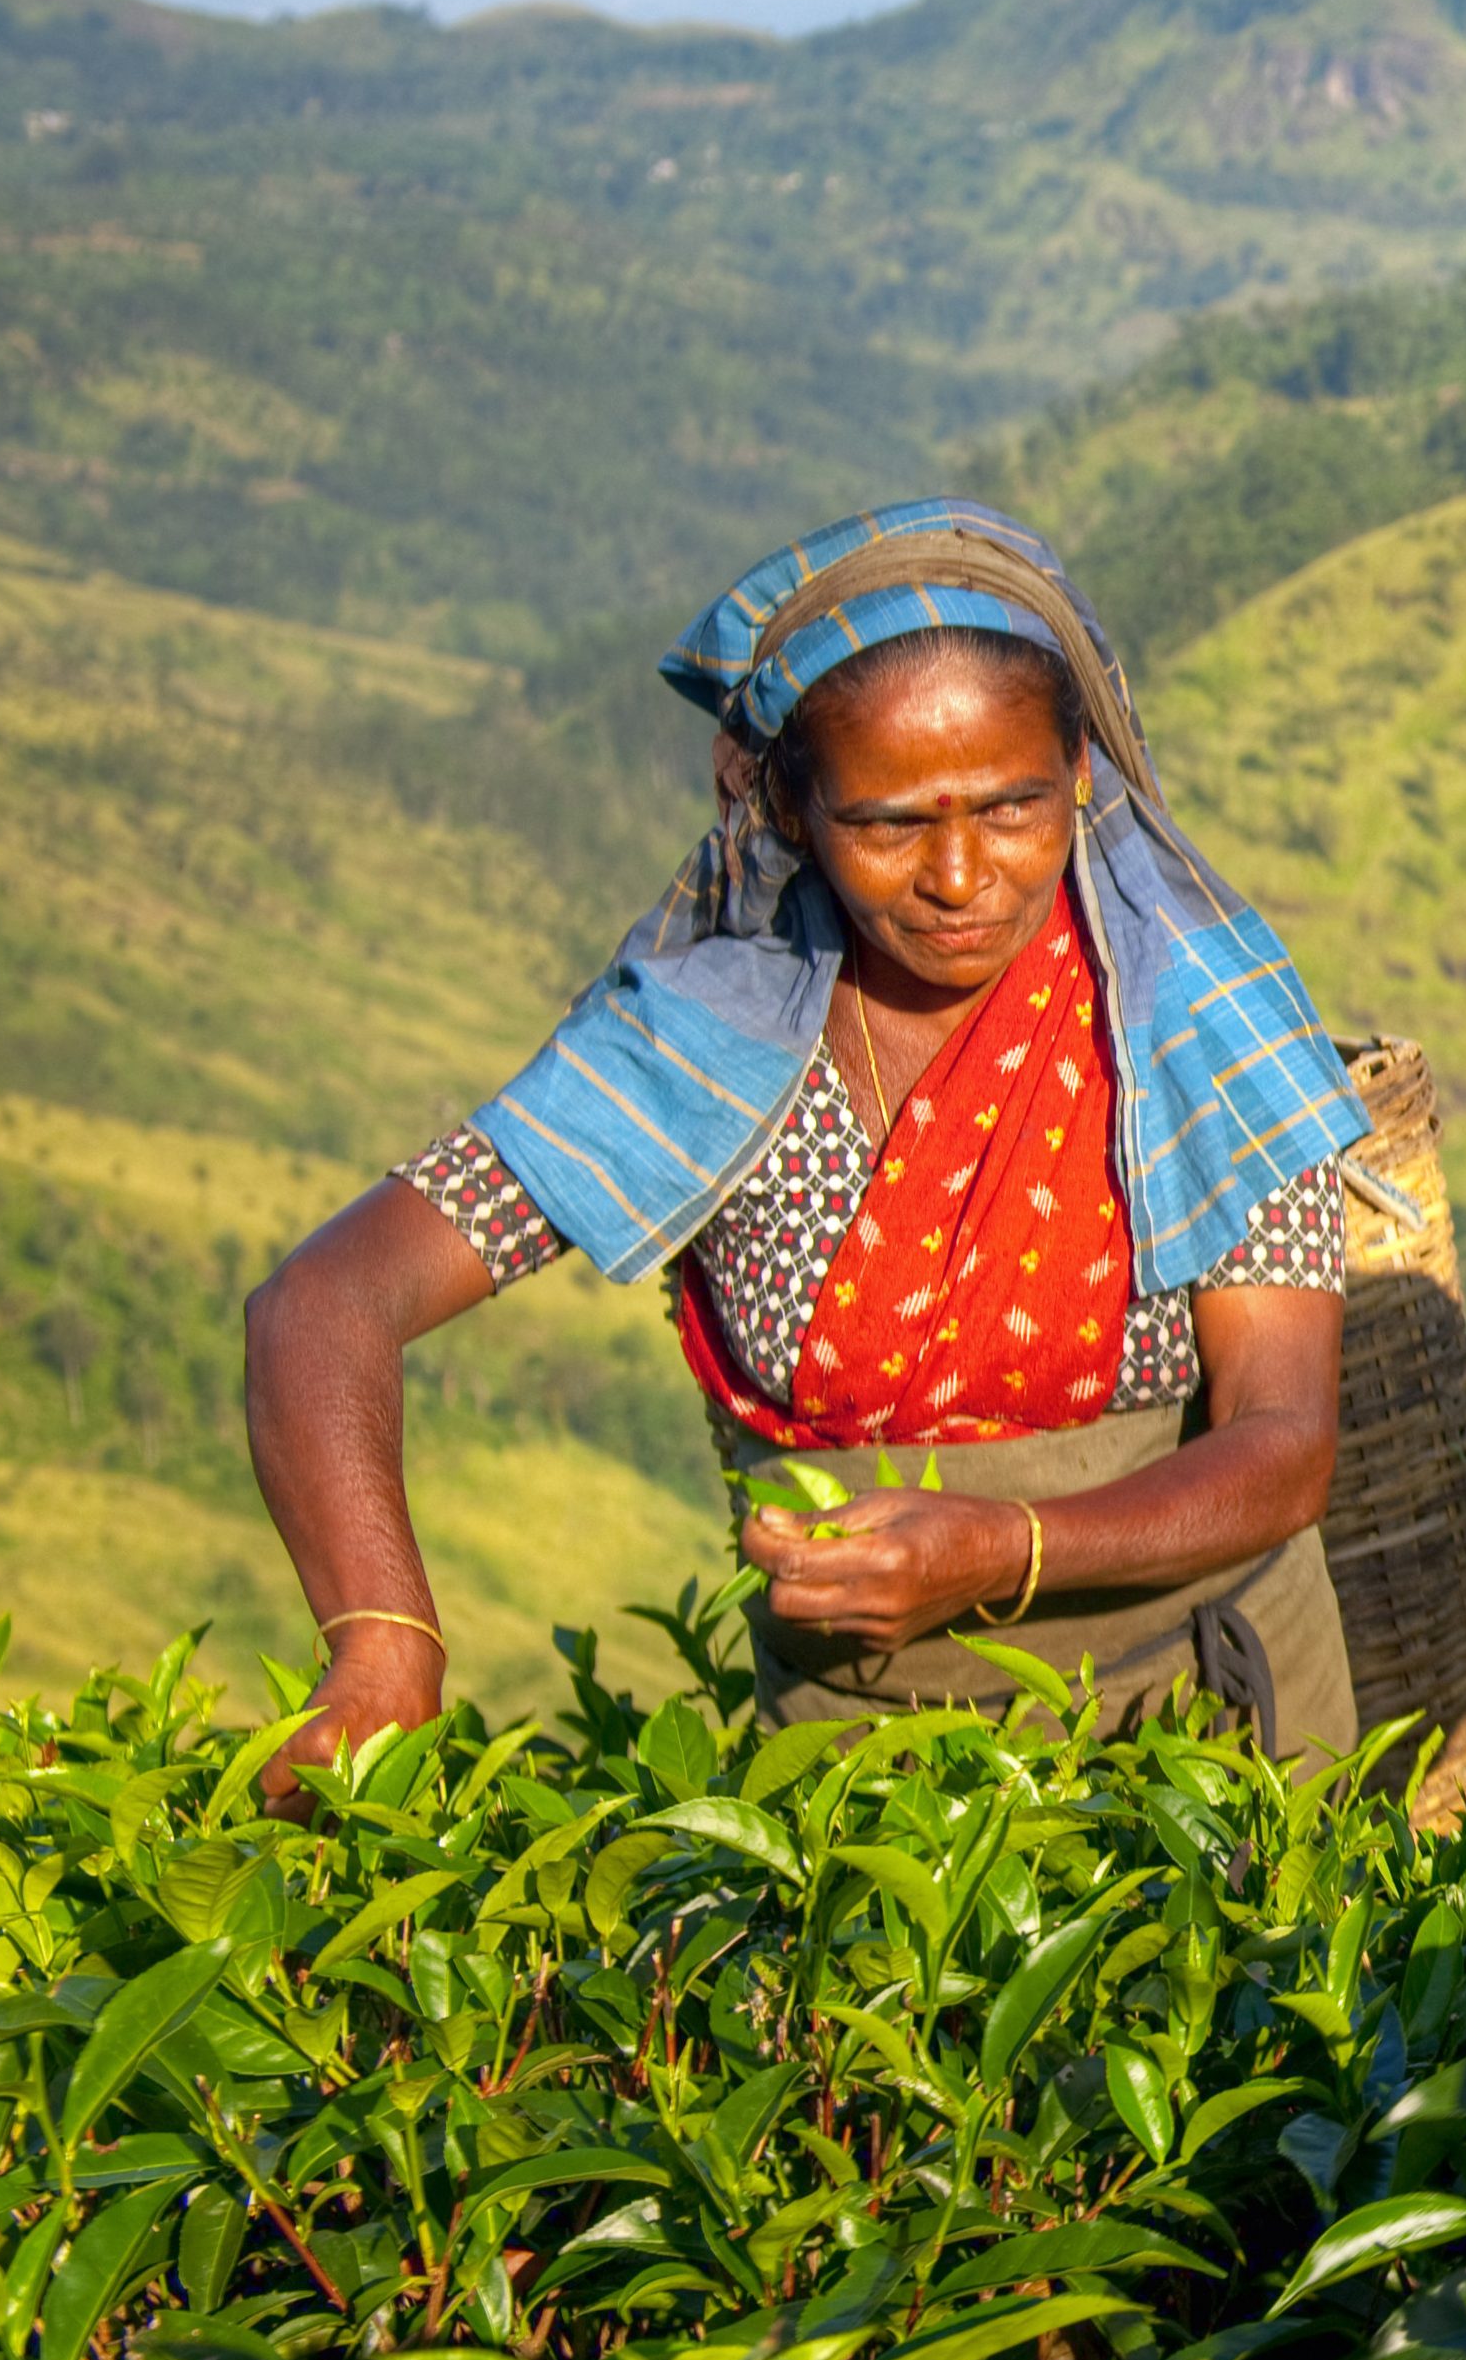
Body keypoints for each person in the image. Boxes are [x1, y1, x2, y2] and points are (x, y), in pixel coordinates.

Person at [245, 499, 1388, 1783]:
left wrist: (1002, 1547)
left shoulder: (1194, 1016)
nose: (960, 876)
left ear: (1080, 771)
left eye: (1011, 808)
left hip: (1212, 1730)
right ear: (788, 808)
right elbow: (324, 1302)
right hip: (859, 1779)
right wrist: (384, 1642)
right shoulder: (708, 1044)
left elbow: (1283, 1448)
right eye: (889, 824)